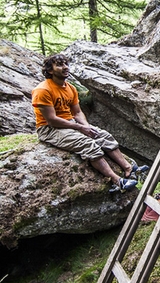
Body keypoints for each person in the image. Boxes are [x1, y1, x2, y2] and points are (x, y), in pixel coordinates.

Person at [32, 53, 148, 193]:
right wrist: (79, 127)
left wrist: (86, 127)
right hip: (49, 128)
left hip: (70, 122)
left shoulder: (70, 88)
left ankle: (129, 168)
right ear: (50, 70)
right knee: (88, 144)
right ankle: (117, 180)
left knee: (102, 135)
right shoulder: (42, 90)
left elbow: (77, 113)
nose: (65, 67)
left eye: (66, 64)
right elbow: (52, 120)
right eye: (60, 65)